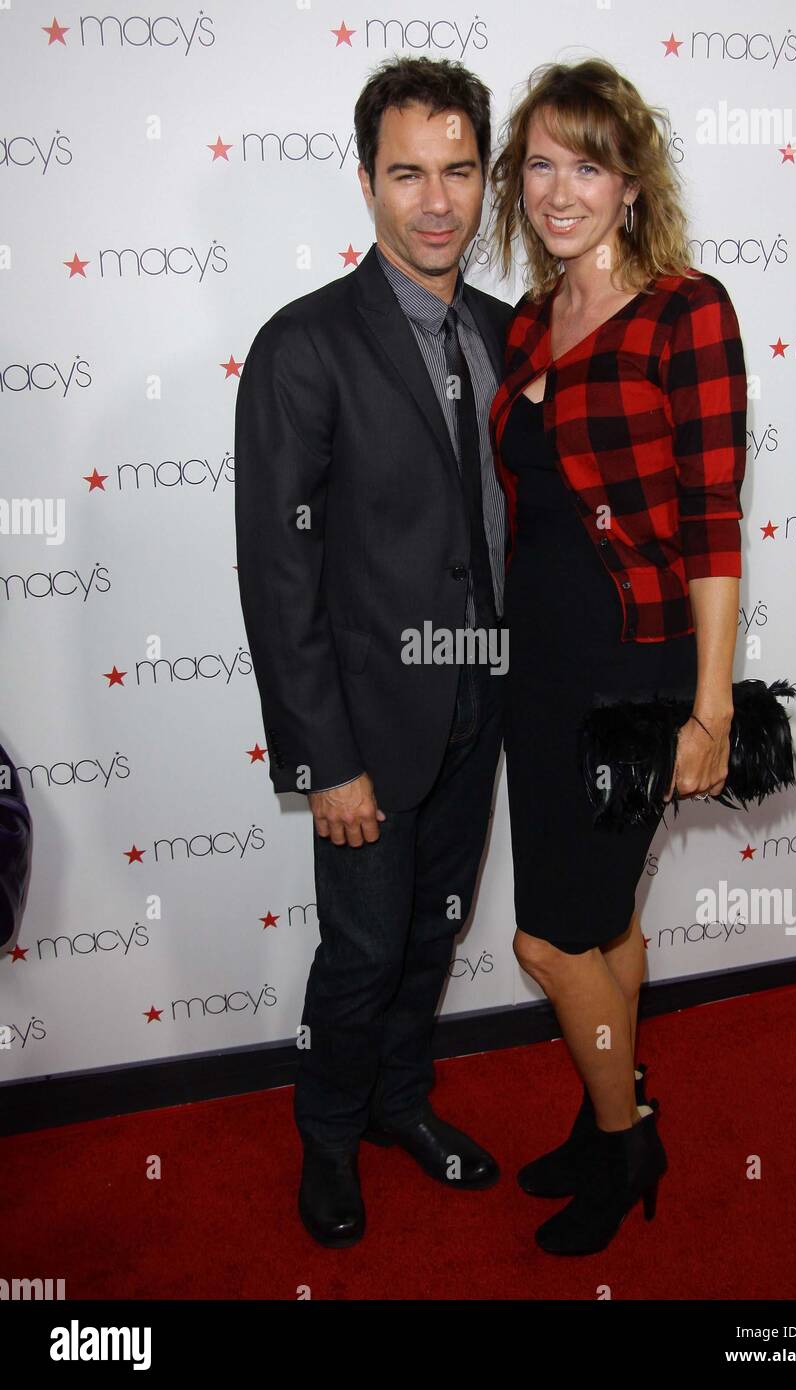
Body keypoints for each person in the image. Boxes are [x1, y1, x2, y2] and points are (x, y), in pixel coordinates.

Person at [234, 56, 513, 1248]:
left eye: (458, 170)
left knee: (434, 930)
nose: (436, 200)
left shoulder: (508, 334)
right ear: (366, 182)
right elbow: (276, 572)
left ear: (485, 179)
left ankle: (403, 1104)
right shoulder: (302, 346)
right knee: (357, 954)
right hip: (364, 733)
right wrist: (322, 760)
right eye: (409, 173)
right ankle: (329, 1140)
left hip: (480, 708)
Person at [486, 58, 748, 1256]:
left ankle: (626, 1129)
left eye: (585, 163)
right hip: (537, 667)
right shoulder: (535, 317)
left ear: (631, 183)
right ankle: (606, 1125)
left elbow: (711, 523)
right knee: (603, 925)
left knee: (549, 938)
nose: (558, 188)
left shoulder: (686, 310)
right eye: (538, 163)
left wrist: (708, 711)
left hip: (631, 671)